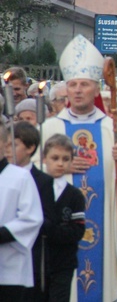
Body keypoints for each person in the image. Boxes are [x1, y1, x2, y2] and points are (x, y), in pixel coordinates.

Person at [41, 34, 117, 301]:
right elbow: (30, 178)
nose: (78, 90)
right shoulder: (49, 129)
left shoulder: (114, 131)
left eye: (84, 84)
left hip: (105, 226)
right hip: (59, 232)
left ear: (95, 88)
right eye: (73, 84)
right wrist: (61, 170)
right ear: (66, 88)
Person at [6, 121, 54, 301]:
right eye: (6, 144)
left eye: (14, 145)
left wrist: (24, 225)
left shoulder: (42, 180)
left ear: (30, 147)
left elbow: (48, 219)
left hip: (31, 255)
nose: (8, 149)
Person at [42, 134, 86, 302]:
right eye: (55, 158)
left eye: (65, 159)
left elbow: (77, 230)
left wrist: (49, 229)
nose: (60, 163)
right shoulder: (35, 189)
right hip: (37, 261)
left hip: (63, 261)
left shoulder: (74, 195)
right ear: (45, 159)